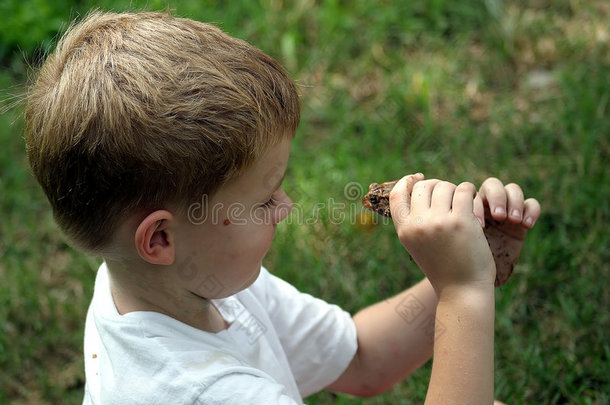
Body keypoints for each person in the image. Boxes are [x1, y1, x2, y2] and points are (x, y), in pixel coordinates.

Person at [24, 11, 541, 405]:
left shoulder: (192, 282)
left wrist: (470, 267)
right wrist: (463, 293)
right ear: (160, 238)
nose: (286, 207)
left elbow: (361, 359)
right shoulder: (202, 393)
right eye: (265, 198)